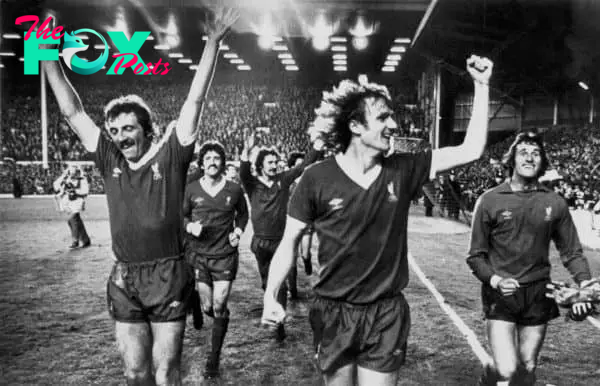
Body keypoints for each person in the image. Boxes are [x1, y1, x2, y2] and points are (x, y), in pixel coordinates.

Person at [261, 55, 493, 386]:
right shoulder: (316, 178)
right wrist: (271, 294)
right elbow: (290, 241)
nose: (394, 125)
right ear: (355, 125)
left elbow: (471, 149)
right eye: (383, 117)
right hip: (332, 311)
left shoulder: (404, 167)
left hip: (385, 313)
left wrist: (481, 86)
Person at [40, 7, 238, 385]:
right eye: (114, 130)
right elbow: (71, 112)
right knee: (135, 373)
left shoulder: (172, 154)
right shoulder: (109, 157)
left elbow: (194, 102)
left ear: (147, 130)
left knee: (166, 373)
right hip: (125, 276)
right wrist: (48, 56)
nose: (119, 136)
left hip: (168, 273)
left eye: (128, 128)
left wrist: (212, 43)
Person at [466, 131, 596, 386]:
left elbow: (571, 252)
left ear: (543, 162)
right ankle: (490, 373)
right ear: (511, 159)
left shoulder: (555, 203)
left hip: (538, 293)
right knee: (506, 368)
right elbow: (475, 256)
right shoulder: (489, 200)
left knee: (527, 367)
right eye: (523, 151)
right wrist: (495, 281)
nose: (529, 157)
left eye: (536, 153)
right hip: (501, 293)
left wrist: (584, 287)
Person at [239, 129, 322, 340]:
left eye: (276, 162)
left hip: (279, 242)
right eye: (270, 162)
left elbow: (303, 166)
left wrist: (318, 146)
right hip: (259, 242)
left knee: (281, 283)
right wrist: (246, 150)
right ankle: (272, 303)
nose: (274, 165)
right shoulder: (253, 185)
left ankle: (280, 324)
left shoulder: (283, 180)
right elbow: (243, 172)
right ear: (261, 165)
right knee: (267, 282)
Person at [183, 141, 248, 379]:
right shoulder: (191, 189)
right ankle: (201, 309)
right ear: (201, 163)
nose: (212, 161)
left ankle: (214, 357)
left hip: (224, 256)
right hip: (199, 257)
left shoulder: (234, 189)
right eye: (207, 158)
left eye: (216, 158)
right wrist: (189, 226)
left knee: (219, 305)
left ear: (223, 162)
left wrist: (238, 233)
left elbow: (243, 215)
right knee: (208, 306)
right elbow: (181, 217)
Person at [286, 151, 314, 299]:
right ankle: (292, 289)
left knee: (305, 253)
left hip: (307, 222)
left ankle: (307, 260)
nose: (302, 168)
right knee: (291, 257)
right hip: (291, 223)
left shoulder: (311, 181)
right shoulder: (288, 182)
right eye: (298, 165)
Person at [53, 164, 91, 249]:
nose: (73, 174)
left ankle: (75, 241)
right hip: (68, 202)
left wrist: (75, 191)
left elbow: (85, 192)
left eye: (75, 172)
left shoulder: (82, 180)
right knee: (74, 221)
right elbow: (56, 185)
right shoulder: (66, 179)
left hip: (78, 201)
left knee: (73, 219)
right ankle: (85, 240)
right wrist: (63, 175)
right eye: (71, 171)